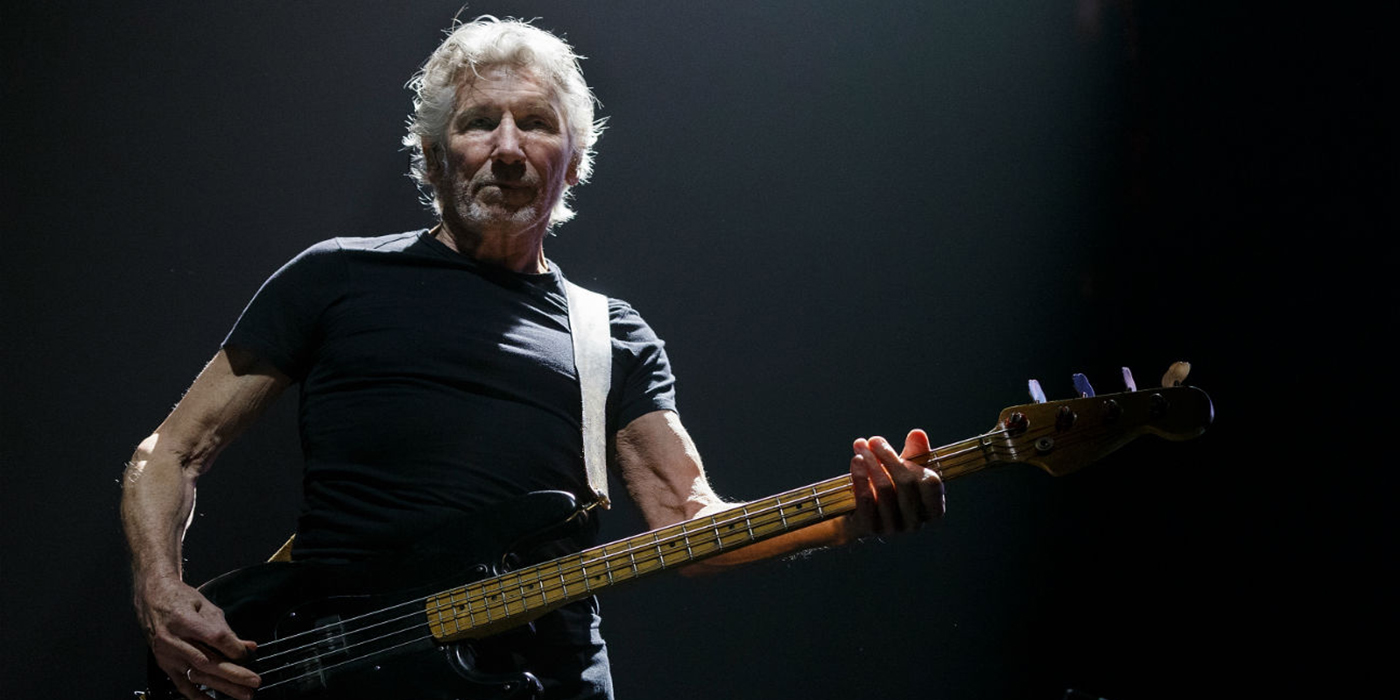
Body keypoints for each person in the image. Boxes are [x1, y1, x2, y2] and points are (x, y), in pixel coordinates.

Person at [120, 16, 945, 700]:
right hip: (335, 668)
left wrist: (848, 514)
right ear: (436, 155)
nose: (508, 148)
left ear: (573, 162)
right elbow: (170, 453)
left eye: (537, 124)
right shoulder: (335, 277)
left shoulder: (608, 334)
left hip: (543, 679)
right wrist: (160, 587)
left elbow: (694, 521)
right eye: (481, 122)